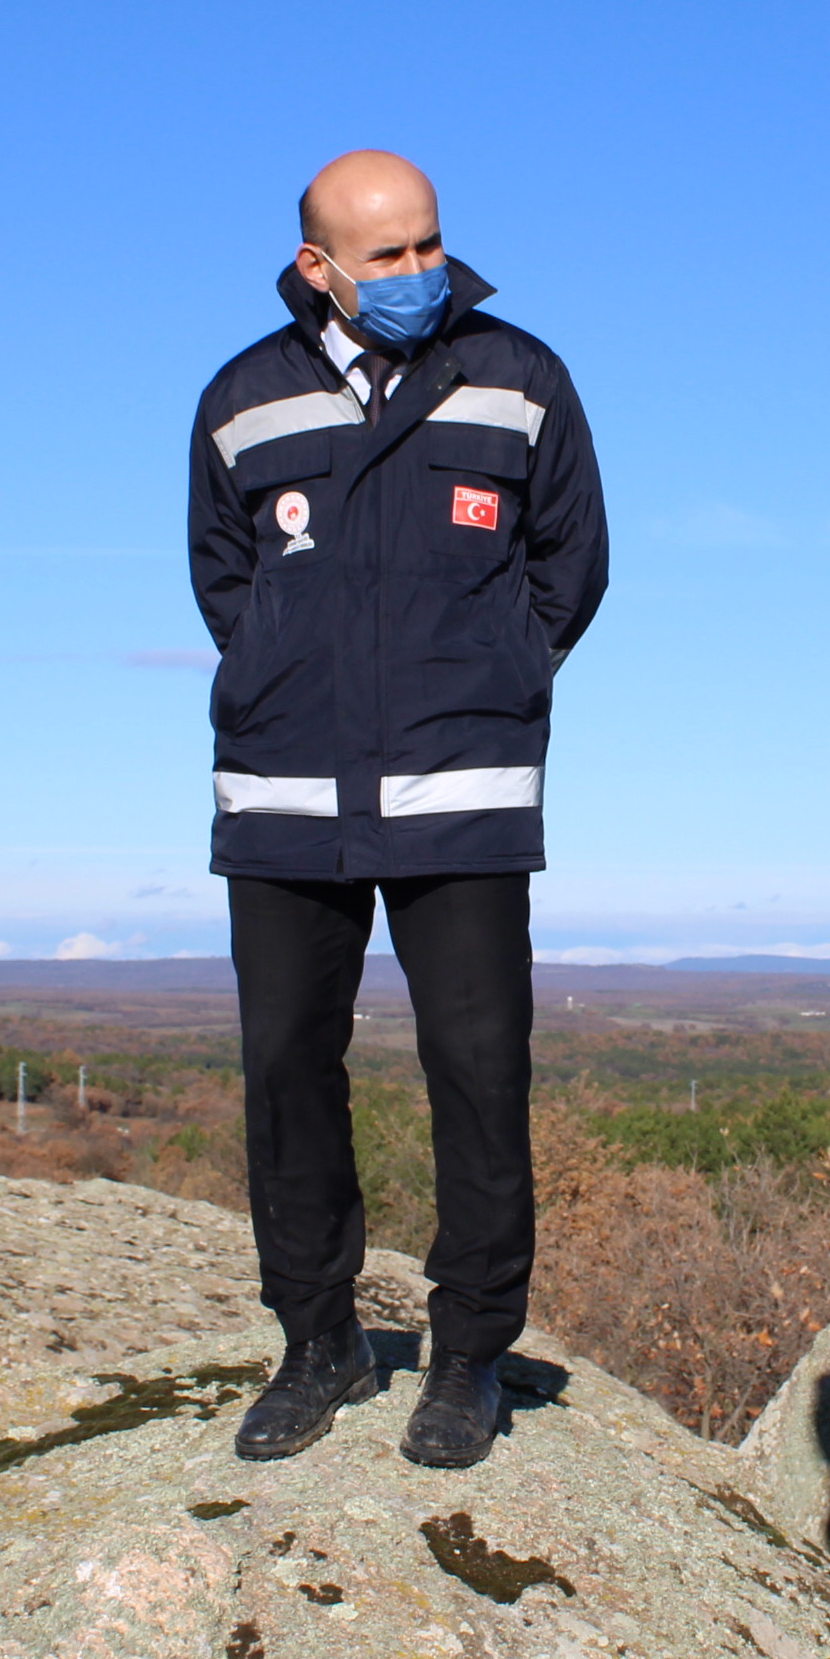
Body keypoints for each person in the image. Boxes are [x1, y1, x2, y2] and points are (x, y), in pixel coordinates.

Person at [187, 149, 608, 1470]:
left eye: (431, 244)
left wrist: (495, 673)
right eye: (390, 254)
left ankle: (470, 1356)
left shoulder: (521, 379)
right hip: (285, 793)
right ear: (319, 264)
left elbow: (572, 565)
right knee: (286, 1075)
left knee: (479, 1075)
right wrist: (278, 673)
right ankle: (316, 1344)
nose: (424, 272)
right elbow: (223, 579)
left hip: (462, 789)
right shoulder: (242, 397)